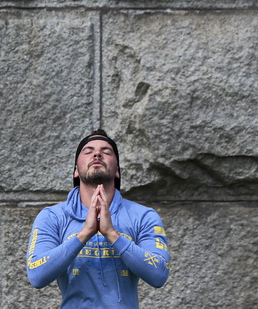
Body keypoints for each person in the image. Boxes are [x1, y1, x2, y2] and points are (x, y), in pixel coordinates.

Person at [26, 129, 170, 308]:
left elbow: (159, 275)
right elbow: (36, 275)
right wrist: (84, 234)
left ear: (117, 171)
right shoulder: (53, 216)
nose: (97, 153)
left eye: (106, 151)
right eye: (88, 151)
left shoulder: (143, 216)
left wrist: (112, 234)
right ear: (75, 171)